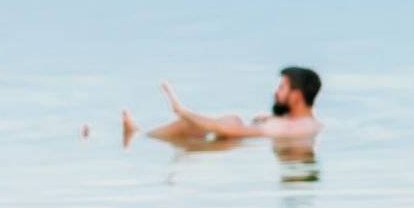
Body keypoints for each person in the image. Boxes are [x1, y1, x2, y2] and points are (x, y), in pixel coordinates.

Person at [122, 67, 322, 147]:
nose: (276, 92)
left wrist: (184, 112)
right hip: (251, 138)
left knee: (219, 123)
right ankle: (141, 134)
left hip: (236, 143)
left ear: (296, 96)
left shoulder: (288, 127)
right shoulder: (309, 123)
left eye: (282, 88)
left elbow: (232, 131)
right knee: (226, 121)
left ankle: (140, 136)